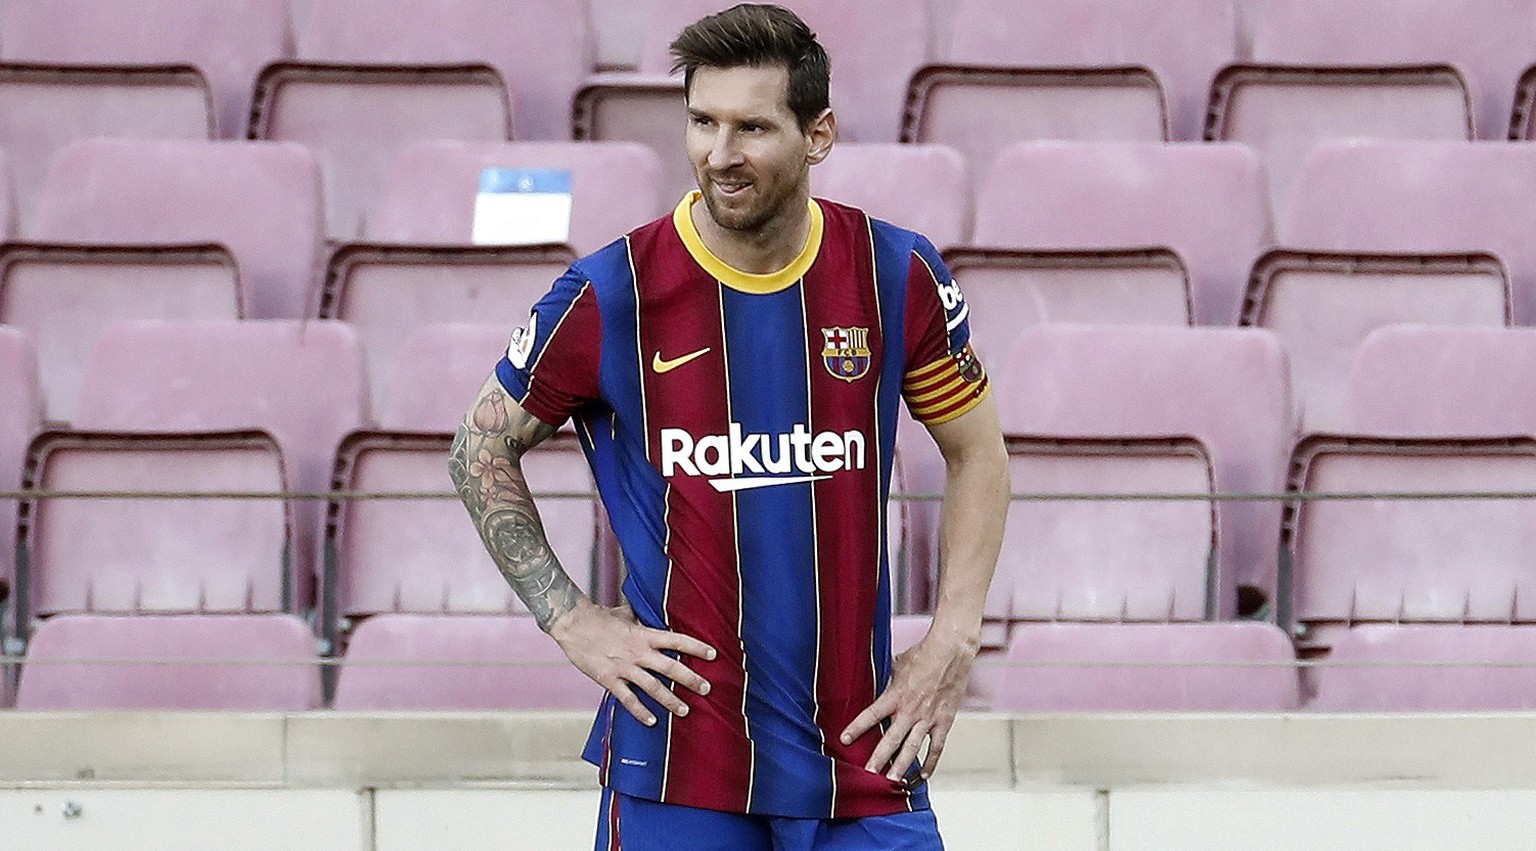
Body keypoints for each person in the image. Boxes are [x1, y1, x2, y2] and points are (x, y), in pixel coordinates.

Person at [449, 4, 1008, 848]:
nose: (719, 153)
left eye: (750, 127)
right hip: (681, 763)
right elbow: (480, 446)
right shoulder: (614, 292)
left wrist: (953, 638)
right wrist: (569, 619)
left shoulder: (896, 272)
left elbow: (978, 453)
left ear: (817, 135)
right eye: (702, 122)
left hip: (862, 755)